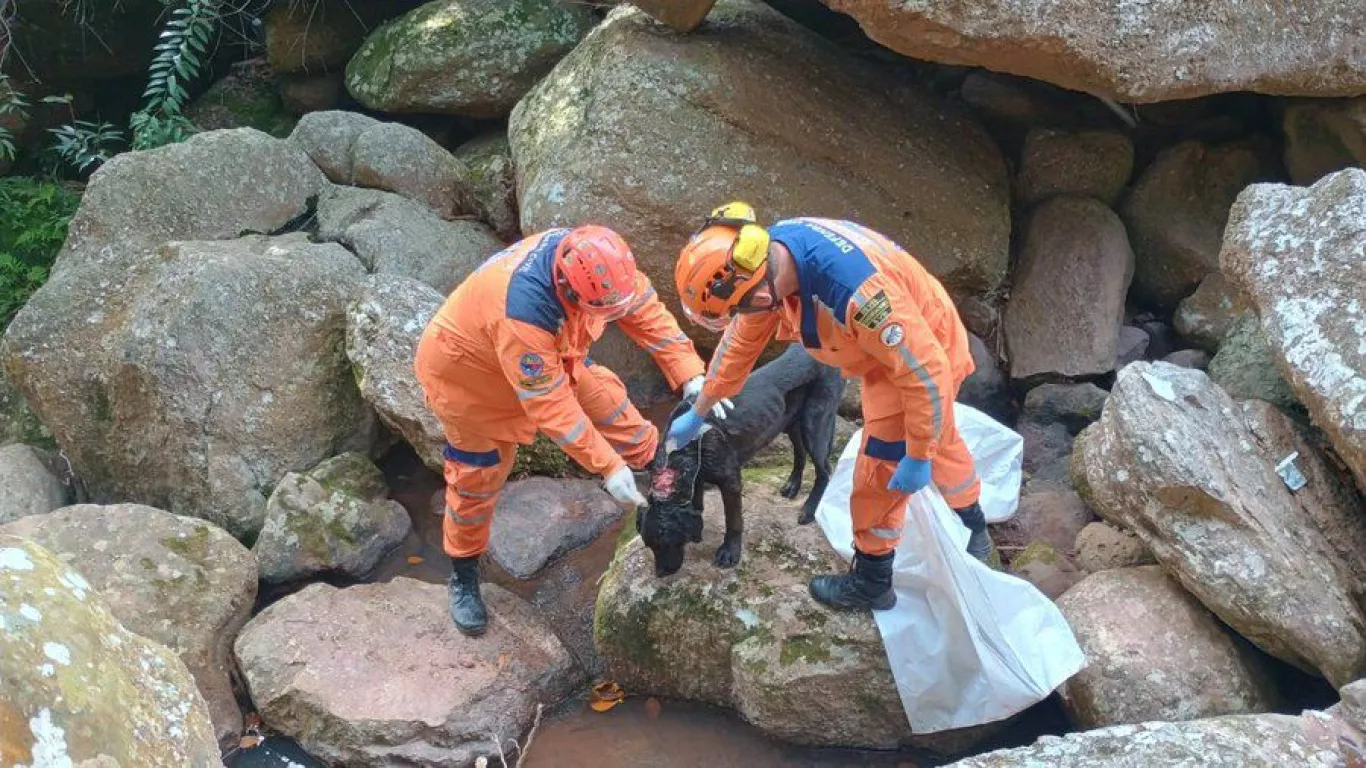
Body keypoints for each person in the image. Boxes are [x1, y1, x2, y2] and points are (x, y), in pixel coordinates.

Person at [666, 203, 991, 612]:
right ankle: (975, 523)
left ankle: (873, 581)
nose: (740, 317)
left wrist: (918, 452)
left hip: (922, 356)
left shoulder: (858, 295)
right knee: (941, 439)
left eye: (739, 309)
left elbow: (926, 373)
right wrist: (701, 408)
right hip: (893, 352)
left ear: (761, 293)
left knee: (881, 468)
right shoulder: (768, 257)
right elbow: (738, 348)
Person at [414, 224, 731, 635]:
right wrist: (607, 466)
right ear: (567, 287)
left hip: (551, 358)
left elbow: (646, 314)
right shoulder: (525, 311)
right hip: (469, 381)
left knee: (609, 402)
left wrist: (691, 377)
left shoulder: (603, 265)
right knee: (478, 476)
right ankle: (464, 574)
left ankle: (665, 476)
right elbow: (550, 405)